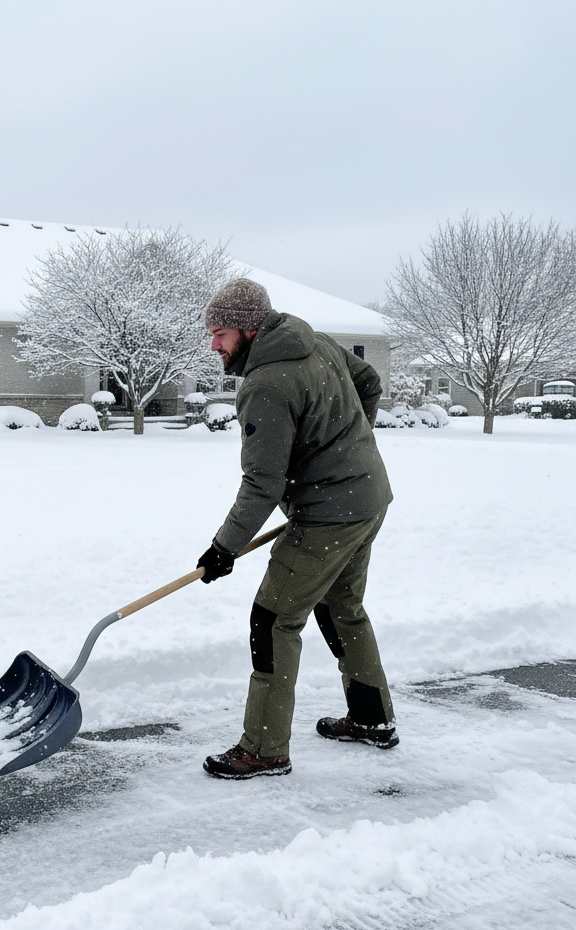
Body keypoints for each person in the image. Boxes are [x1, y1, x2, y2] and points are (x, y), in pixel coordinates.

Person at [196, 278, 397, 780]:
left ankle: (264, 749)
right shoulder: (317, 341)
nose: (213, 345)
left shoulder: (266, 384)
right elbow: (369, 381)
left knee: (273, 619)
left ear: (246, 328)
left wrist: (224, 548)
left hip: (328, 514)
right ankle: (373, 720)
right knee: (341, 607)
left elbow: (262, 483)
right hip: (367, 497)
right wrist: (349, 448)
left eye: (220, 334)